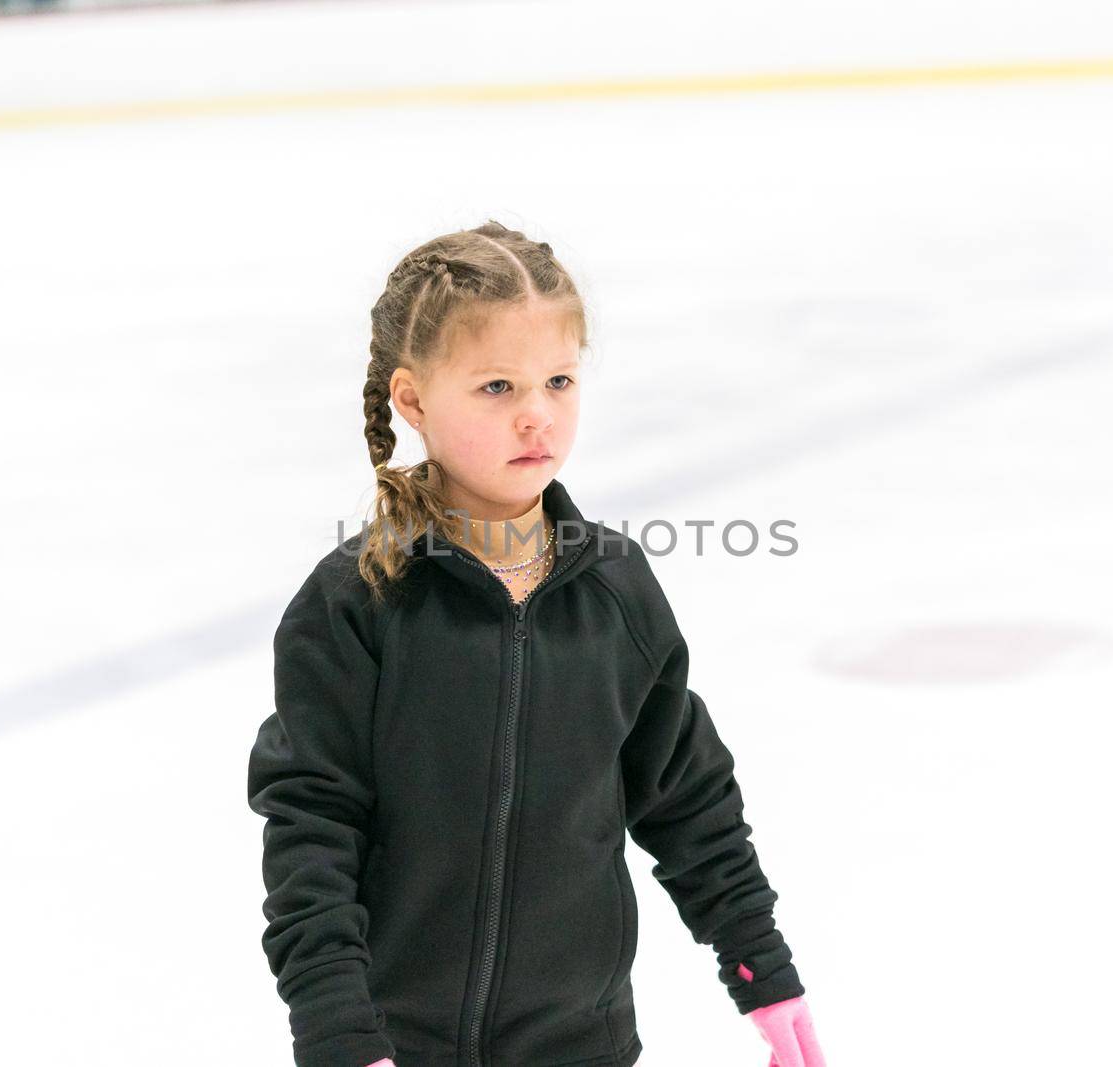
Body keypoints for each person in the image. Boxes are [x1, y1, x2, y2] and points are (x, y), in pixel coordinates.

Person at [247, 220, 824, 1067]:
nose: (536, 415)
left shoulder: (615, 596)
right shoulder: (357, 603)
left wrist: (762, 969)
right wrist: (339, 1030)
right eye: (495, 387)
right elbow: (312, 831)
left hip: (581, 1046)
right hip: (399, 1048)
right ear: (411, 400)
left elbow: (688, 799)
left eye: (558, 379)